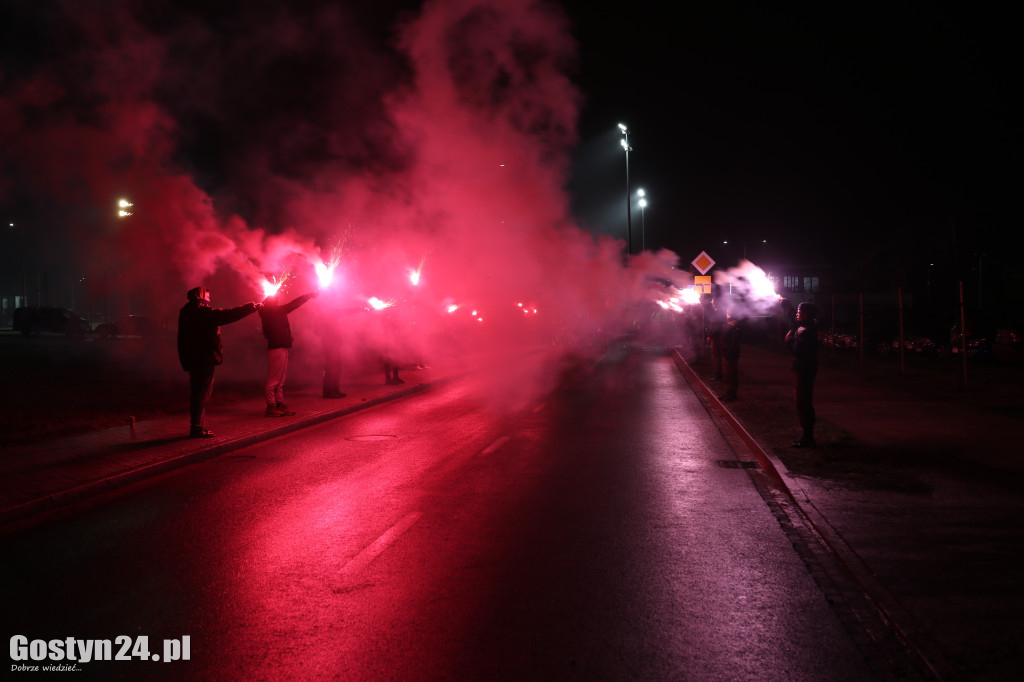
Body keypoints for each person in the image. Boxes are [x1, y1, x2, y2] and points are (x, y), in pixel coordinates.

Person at [177, 287, 261, 438]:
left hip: (195, 358)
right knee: (201, 394)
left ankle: (198, 426)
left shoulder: (188, 311)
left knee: (199, 393)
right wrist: (250, 308)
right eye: (207, 295)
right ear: (200, 296)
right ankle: (196, 428)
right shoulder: (200, 311)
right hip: (203, 358)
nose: (210, 297)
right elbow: (226, 315)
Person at [259, 290, 319, 416]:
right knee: (274, 379)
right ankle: (271, 406)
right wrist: (307, 295)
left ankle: (279, 403)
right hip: (277, 347)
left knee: (281, 379)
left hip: (282, 346)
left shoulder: (274, 311)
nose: (277, 299)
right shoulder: (271, 312)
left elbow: (292, 305)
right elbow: (293, 304)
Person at [785, 301, 819, 447]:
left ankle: (807, 437)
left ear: (806, 314)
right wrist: (784, 303)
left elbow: (797, 351)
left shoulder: (806, 331)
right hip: (802, 369)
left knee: (803, 402)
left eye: (800, 312)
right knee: (802, 401)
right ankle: (807, 435)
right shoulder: (804, 325)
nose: (797, 314)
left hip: (804, 370)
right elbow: (792, 315)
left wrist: (788, 341)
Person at [718, 304, 741, 401]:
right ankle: (727, 393)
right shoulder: (727, 324)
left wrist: (728, 353)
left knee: (731, 374)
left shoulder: (734, 325)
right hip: (725, 353)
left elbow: (734, 342)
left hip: (730, 354)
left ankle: (732, 394)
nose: (727, 312)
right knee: (726, 374)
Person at [707, 297, 726, 381]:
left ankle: (718, 376)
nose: (711, 302)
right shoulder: (720, 311)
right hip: (719, 336)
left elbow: (715, 326)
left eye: (712, 301)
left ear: (714, 302)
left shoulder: (717, 312)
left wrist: (710, 335)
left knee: (716, 357)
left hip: (717, 337)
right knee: (718, 356)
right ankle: (719, 375)